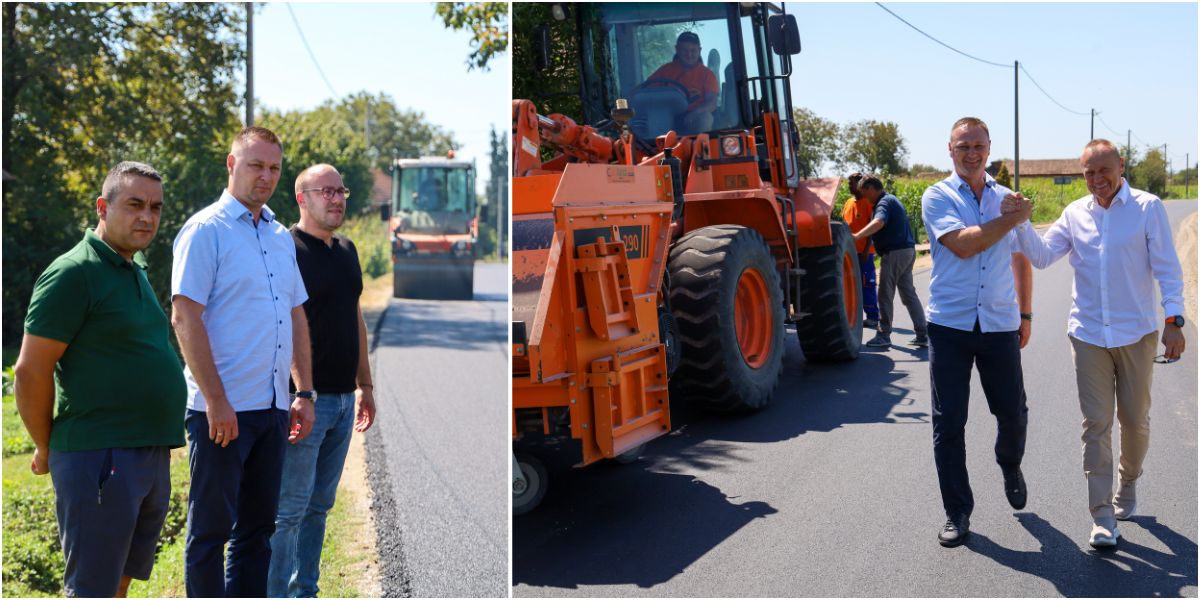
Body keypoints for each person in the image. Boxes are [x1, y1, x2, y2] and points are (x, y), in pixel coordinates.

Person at [13, 161, 185, 598]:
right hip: (99, 455)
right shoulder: (74, 272)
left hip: (147, 451)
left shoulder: (133, 266)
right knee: (92, 587)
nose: (147, 216)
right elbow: (31, 370)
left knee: (121, 580)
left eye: (155, 207)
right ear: (102, 207)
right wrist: (45, 444)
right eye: (134, 204)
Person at [1004, 139, 1185, 548]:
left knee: (1135, 421)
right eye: (1089, 173)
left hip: (1136, 332)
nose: (1096, 180)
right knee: (1096, 423)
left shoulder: (1147, 207)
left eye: (1103, 170)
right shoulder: (1074, 213)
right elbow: (1044, 256)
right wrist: (1021, 223)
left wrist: (1174, 320)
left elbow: (1168, 271)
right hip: (1087, 334)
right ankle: (1102, 515)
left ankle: (1130, 481)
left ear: (1121, 166)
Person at [171, 126, 317, 597]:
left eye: (274, 168)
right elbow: (184, 317)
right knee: (210, 534)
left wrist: (304, 392)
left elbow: (294, 315)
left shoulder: (278, 235)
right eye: (256, 165)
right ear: (232, 165)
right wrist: (216, 401)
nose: (266, 176)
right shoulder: (204, 231)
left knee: (257, 532)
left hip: (272, 408)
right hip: (221, 413)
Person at [920, 117, 1034, 548]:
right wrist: (1014, 219)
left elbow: (1022, 258)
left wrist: (1026, 314)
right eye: (963, 145)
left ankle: (1009, 462)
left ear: (989, 148)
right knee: (948, 423)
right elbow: (965, 244)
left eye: (978, 145)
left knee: (1013, 412)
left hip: (1000, 324)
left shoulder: (1007, 199)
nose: (972, 152)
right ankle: (957, 511)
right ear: (950, 150)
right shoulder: (937, 196)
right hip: (950, 325)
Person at [267, 164, 378, 597]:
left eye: (340, 191)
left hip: (343, 400)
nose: (336, 199)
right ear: (302, 198)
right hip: (304, 403)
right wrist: (303, 393)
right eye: (325, 191)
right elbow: (282, 323)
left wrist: (365, 386)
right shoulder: (286, 250)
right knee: (288, 511)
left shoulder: (347, 250)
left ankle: (305, 590)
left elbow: (355, 318)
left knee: (319, 507)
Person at [853, 175, 928, 347]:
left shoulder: (884, 202)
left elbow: (879, 221)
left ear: (871, 188)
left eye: (865, 192)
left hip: (895, 253)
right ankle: (922, 334)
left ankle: (883, 334)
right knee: (908, 294)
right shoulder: (891, 199)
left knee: (885, 293)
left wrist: (857, 236)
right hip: (906, 251)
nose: (865, 197)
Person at [644, 31, 719, 133]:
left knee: (706, 118)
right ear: (677, 50)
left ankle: (702, 147)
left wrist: (694, 114)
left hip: (694, 118)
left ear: (700, 50)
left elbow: (712, 102)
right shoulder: (665, 71)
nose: (689, 54)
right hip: (667, 117)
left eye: (693, 50)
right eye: (685, 50)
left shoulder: (707, 75)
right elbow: (646, 92)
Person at [842, 172, 880, 329]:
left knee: (867, 284)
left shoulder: (868, 203)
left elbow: (871, 229)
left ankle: (872, 316)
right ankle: (855, 315)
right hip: (849, 253)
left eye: (852, 183)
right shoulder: (848, 203)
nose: (849, 186)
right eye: (849, 183)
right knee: (850, 285)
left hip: (864, 253)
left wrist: (865, 251)